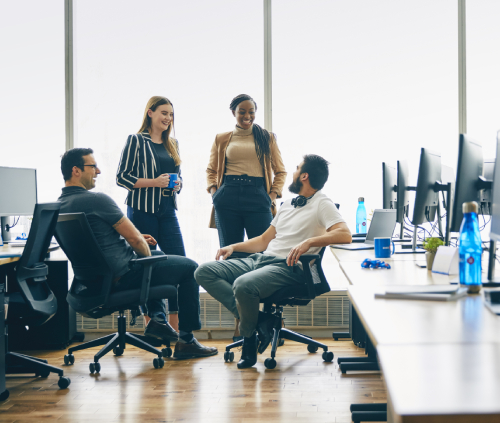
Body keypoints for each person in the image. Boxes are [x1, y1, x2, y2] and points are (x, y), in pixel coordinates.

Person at [59, 148, 217, 359]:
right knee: (190, 268)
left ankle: (157, 321)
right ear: (76, 170)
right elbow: (135, 240)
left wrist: (138, 240)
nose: (97, 171)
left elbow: (95, 240)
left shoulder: (59, 206)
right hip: (123, 276)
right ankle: (186, 340)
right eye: (92, 166)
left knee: (150, 250)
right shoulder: (96, 200)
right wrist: (141, 247)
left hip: (92, 283)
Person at [195, 154, 351, 369]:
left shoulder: (322, 204)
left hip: (288, 268)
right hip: (260, 259)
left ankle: (249, 339)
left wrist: (310, 242)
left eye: (297, 169)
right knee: (203, 271)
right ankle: (261, 321)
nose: (293, 172)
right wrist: (234, 247)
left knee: (243, 285)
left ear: (304, 176)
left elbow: (345, 234)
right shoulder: (288, 204)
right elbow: (263, 240)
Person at [117, 96, 184, 330]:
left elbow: (178, 177)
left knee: (180, 263)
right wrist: (154, 182)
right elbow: (122, 177)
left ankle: (180, 327)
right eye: (164, 113)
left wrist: (177, 185)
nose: (168, 118)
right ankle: (156, 323)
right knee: (150, 264)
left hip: (167, 210)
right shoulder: (136, 140)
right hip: (142, 210)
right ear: (150, 113)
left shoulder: (172, 144)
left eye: (171, 115)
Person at [206, 94, 287, 247]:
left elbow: (280, 171)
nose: (247, 116)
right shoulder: (221, 138)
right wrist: (215, 194)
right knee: (230, 252)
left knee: (262, 252)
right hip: (227, 197)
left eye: (251, 112)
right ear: (233, 113)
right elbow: (211, 170)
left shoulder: (266, 138)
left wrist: (270, 197)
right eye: (242, 111)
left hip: (258, 196)